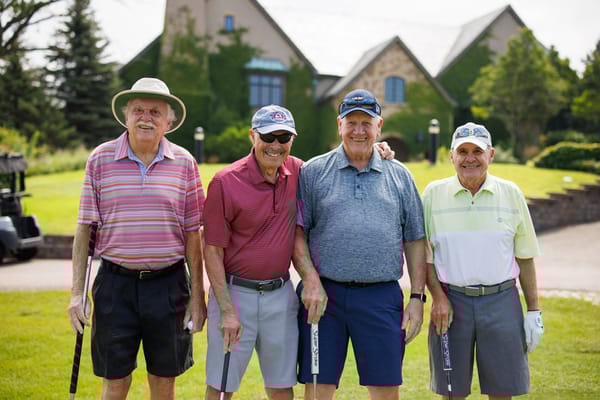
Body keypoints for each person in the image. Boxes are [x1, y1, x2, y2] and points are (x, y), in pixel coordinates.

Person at [203, 104, 394, 400]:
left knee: (282, 387)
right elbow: (212, 250)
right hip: (235, 293)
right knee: (221, 387)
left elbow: (342, 161)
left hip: (280, 293)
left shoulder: (300, 171)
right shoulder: (225, 182)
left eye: (284, 138)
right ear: (253, 136)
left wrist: (378, 149)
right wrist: (227, 310)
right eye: (269, 137)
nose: (276, 145)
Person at [67, 77, 207, 400]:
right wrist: (76, 293)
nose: (146, 117)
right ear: (126, 117)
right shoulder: (100, 160)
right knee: (115, 383)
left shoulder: (185, 163)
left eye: (155, 112)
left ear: (168, 121)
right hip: (116, 286)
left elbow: (193, 236)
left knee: (163, 382)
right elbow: (85, 229)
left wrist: (198, 297)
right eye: (139, 110)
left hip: (169, 286)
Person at [295, 89, 428, 400]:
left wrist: (418, 297)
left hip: (380, 296)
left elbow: (415, 239)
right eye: (351, 122)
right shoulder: (313, 172)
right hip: (323, 297)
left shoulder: (399, 175)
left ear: (378, 126)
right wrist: (311, 281)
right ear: (339, 125)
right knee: (317, 387)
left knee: (385, 390)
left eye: (366, 123)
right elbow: (298, 233)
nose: (358, 130)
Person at [423, 122, 544, 400]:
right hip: (451, 302)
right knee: (452, 391)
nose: (469, 158)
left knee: (502, 391)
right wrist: (438, 298)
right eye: (462, 151)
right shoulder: (432, 194)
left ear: (490, 155)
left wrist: (534, 311)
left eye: (477, 151)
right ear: (451, 156)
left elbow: (525, 256)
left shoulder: (511, 193)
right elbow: (425, 256)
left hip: (501, 300)